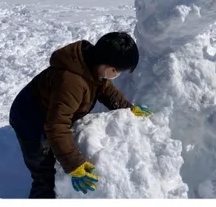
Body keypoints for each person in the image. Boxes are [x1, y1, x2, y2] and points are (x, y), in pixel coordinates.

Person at [9, 32, 152, 198]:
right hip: (29, 118)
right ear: (108, 67)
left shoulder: (92, 66)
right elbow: (56, 125)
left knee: (53, 144)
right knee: (43, 169)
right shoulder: (72, 83)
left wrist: (127, 108)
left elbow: (104, 89)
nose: (117, 76)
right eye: (117, 71)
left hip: (51, 110)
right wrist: (74, 164)